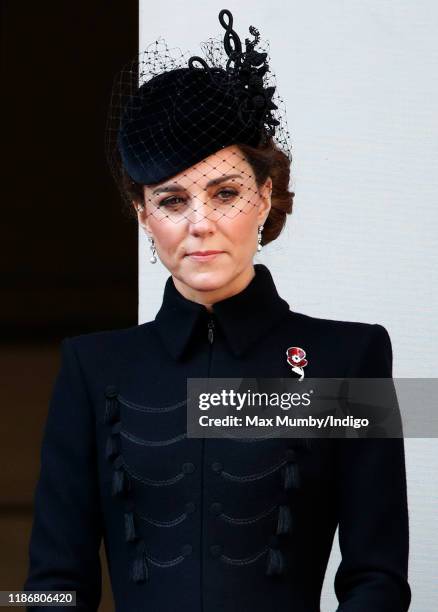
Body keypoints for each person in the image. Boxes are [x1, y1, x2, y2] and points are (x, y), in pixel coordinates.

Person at [23, 9, 411, 611]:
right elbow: (54, 586)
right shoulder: (90, 368)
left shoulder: (351, 358)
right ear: (142, 214)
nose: (200, 224)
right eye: (172, 199)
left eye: (225, 192)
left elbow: (377, 580)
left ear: (263, 197)